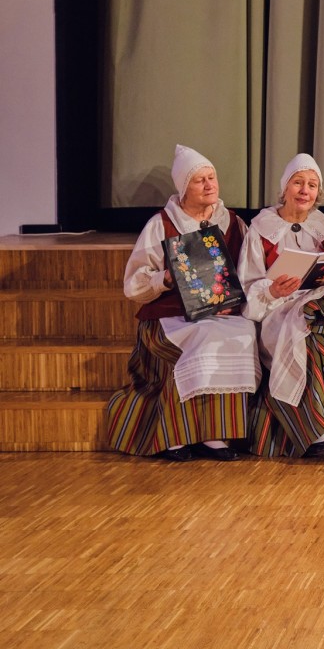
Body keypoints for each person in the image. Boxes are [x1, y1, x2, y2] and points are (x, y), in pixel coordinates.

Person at [105, 145, 259, 461]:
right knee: (206, 336)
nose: (209, 185)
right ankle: (176, 435)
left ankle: (215, 434)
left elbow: (249, 271)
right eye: (199, 180)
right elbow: (133, 285)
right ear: (183, 188)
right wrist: (165, 278)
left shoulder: (232, 222)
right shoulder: (162, 224)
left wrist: (235, 300)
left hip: (222, 313)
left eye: (212, 177)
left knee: (241, 333)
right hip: (170, 317)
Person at [239, 154, 324, 458]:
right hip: (277, 311)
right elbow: (247, 286)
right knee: (312, 340)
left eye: (312, 185)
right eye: (298, 183)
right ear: (285, 188)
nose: (305, 191)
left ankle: (316, 427)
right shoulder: (261, 229)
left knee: (318, 328)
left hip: (319, 307)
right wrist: (272, 290)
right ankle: (317, 430)